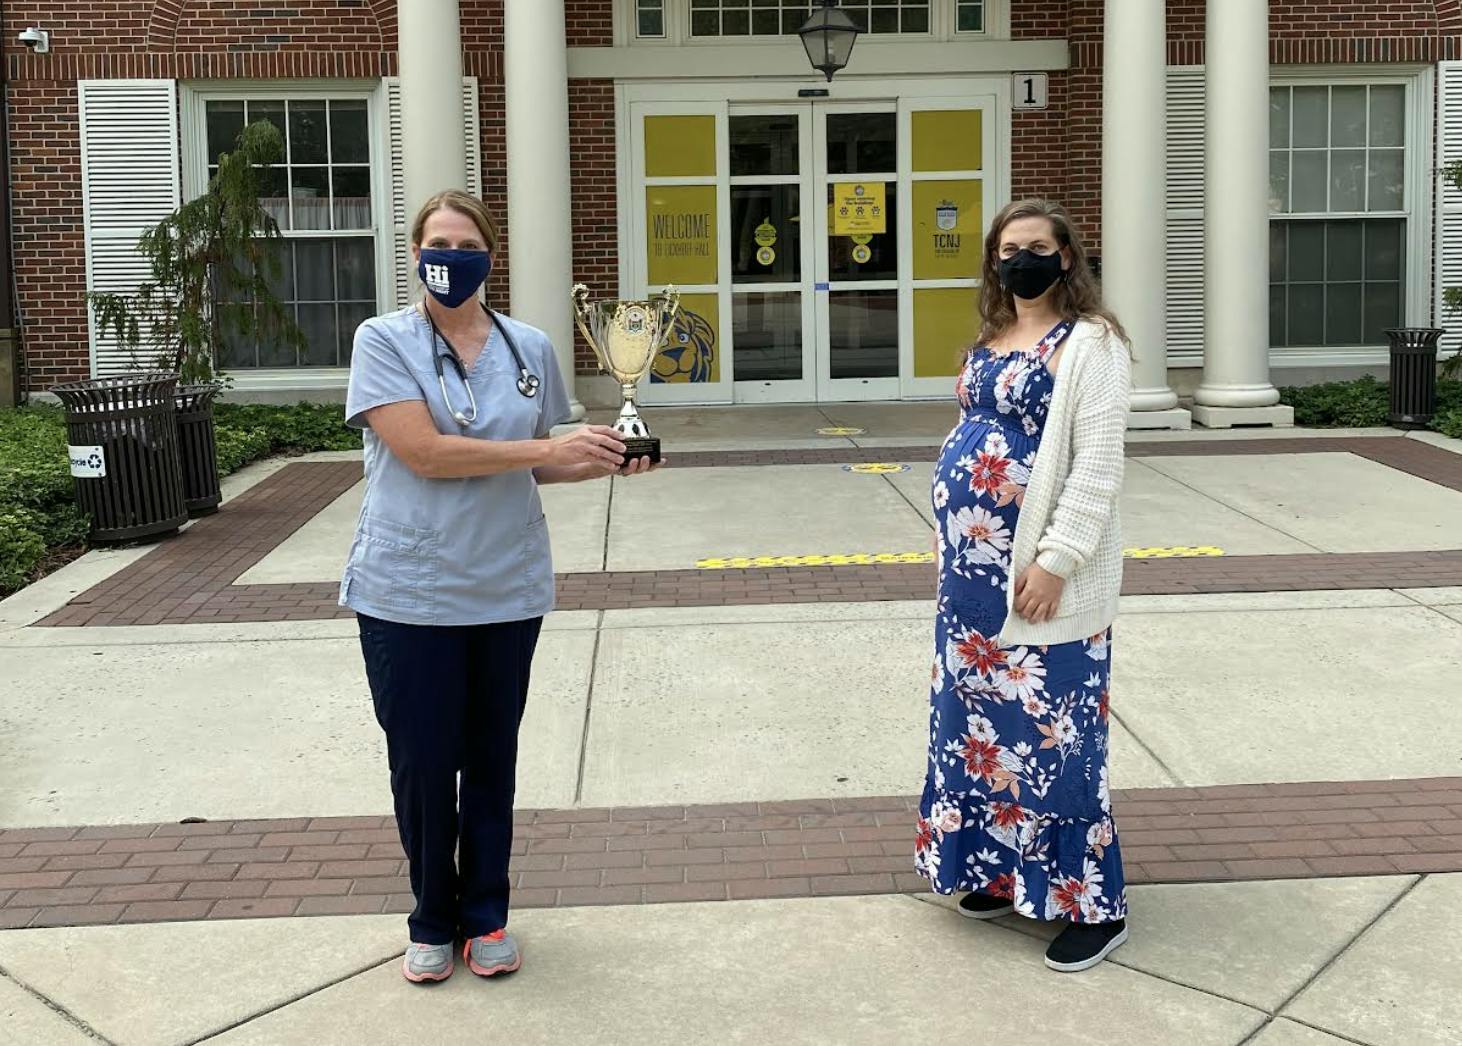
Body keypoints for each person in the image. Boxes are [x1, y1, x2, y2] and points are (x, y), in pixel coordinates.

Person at [341, 189, 651, 984]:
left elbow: (541, 459)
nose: (450, 256)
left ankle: (486, 916)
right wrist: (537, 452)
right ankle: (429, 918)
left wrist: (607, 455)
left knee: (490, 758)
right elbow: (427, 454)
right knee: (420, 762)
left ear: (489, 254)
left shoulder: (529, 348)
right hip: (407, 593)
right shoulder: (383, 341)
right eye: (435, 243)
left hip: (504, 589)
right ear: (415, 255)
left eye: (465, 242)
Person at [914, 198, 1133, 973]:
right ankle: (1005, 871)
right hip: (970, 577)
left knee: (1054, 736)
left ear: (1068, 258)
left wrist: (1056, 559)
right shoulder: (996, 334)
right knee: (982, 735)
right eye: (1009, 249)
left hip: (1041, 574)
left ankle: (1093, 906)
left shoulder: (1093, 344)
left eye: (1037, 248)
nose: (1022, 261)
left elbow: (1098, 466)